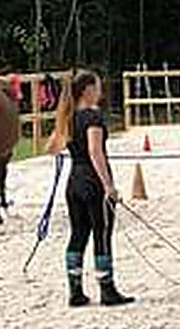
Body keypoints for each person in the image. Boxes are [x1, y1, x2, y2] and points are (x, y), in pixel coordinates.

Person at [46, 69, 134, 307]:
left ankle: (75, 291)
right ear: (88, 90)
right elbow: (95, 151)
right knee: (101, 233)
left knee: (78, 234)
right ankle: (107, 289)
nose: (100, 92)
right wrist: (108, 185)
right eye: (97, 87)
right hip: (93, 182)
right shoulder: (93, 117)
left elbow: (52, 148)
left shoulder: (68, 118)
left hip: (74, 182)